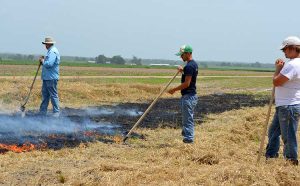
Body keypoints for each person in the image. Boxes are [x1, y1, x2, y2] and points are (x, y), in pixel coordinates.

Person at [265, 36, 300, 165]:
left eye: (285, 49)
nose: (284, 53)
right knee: (273, 131)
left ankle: (291, 161)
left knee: (288, 136)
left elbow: (277, 82)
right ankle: (271, 156)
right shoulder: (294, 64)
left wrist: (278, 69)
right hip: (285, 105)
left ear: (292, 48)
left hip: (288, 106)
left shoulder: (293, 65)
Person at [168, 45, 198, 143]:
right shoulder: (193, 64)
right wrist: (183, 71)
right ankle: (187, 135)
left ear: (188, 53)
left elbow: (187, 84)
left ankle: (188, 140)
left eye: (182, 54)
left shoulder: (189, 66)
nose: (181, 57)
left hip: (188, 97)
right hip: (191, 96)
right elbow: (190, 76)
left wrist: (174, 89)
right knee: (188, 118)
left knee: (187, 119)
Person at [39, 37, 61, 117]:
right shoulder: (50, 51)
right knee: (45, 95)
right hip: (47, 77)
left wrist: (43, 61)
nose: (45, 45)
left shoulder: (52, 51)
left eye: (45, 44)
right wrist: (44, 61)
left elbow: (49, 64)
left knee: (53, 95)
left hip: (51, 77)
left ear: (48, 44)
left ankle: (56, 112)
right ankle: (42, 112)